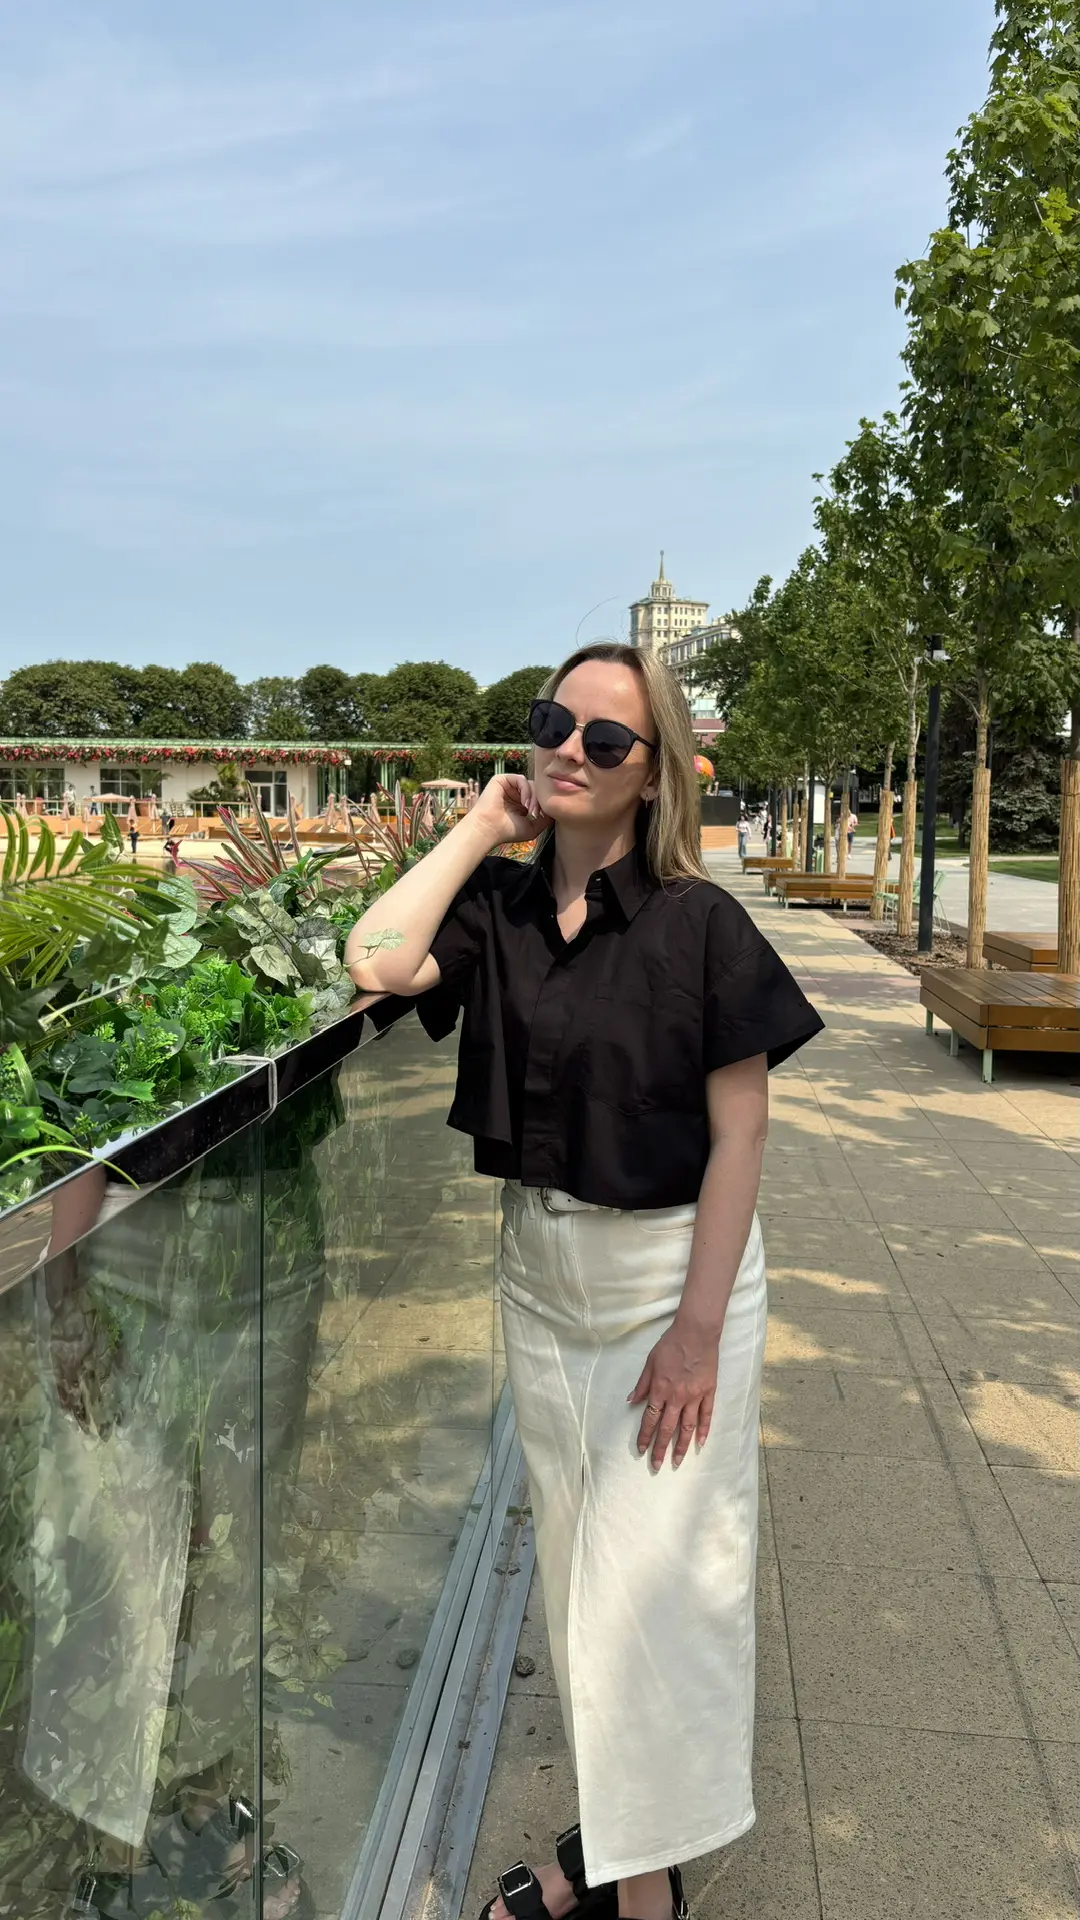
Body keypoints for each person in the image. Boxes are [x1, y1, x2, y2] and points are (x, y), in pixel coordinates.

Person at [345, 642, 824, 1920]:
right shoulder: (498, 910)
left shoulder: (699, 924)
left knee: (661, 1600)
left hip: (673, 1284)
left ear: (650, 771)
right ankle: (619, 1861)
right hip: (543, 1285)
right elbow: (374, 960)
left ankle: (636, 1887)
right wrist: (477, 826)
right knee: (578, 1592)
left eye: (605, 740)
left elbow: (742, 1136)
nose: (569, 749)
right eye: (553, 723)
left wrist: (697, 1334)